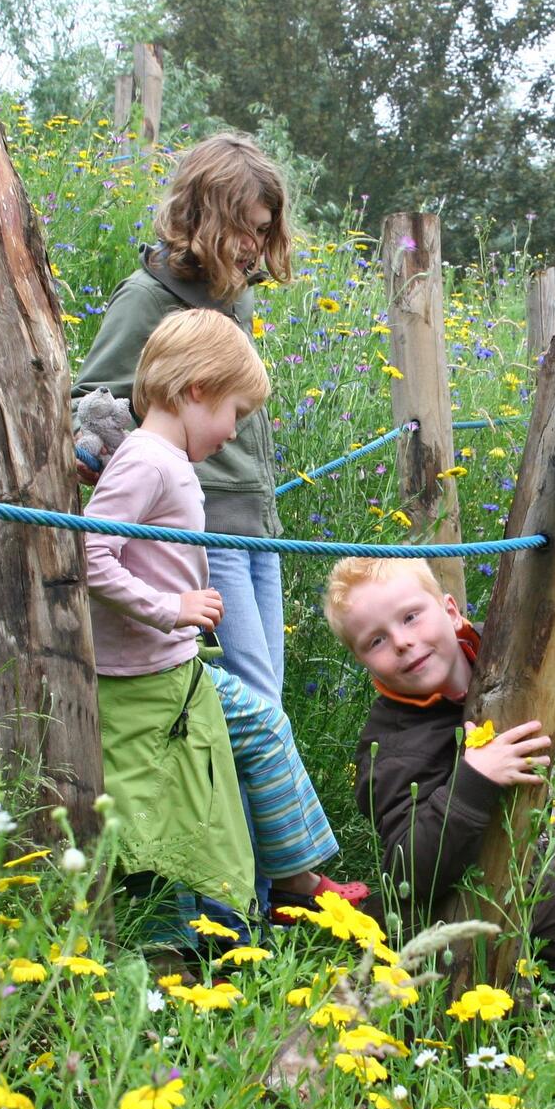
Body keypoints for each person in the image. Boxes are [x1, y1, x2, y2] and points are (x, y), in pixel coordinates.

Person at [74, 133, 364, 917]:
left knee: (264, 701)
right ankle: (248, 900)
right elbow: (96, 399)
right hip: (196, 531)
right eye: (245, 225)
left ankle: (258, 889)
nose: (254, 244)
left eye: (265, 229)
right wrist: (145, 461)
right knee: (240, 707)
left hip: (250, 519)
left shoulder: (231, 299)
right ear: (202, 212)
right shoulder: (148, 300)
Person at [86, 310, 352, 950]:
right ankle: (277, 887)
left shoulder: (162, 459)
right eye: (235, 411)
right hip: (148, 675)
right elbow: (92, 553)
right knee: (220, 768)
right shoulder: (147, 462)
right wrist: (170, 607)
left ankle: (282, 881)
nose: (234, 432)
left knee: (255, 736)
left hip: (174, 667)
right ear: (195, 390)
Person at [321, 556, 555, 961]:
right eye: (376, 641)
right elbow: (409, 872)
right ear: (364, 664)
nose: (402, 641)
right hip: (468, 930)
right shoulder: (390, 750)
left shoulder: (499, 651)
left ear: (452, 612)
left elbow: (549, 665)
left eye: (410, 617)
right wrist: (472, 780)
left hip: (541, 869)